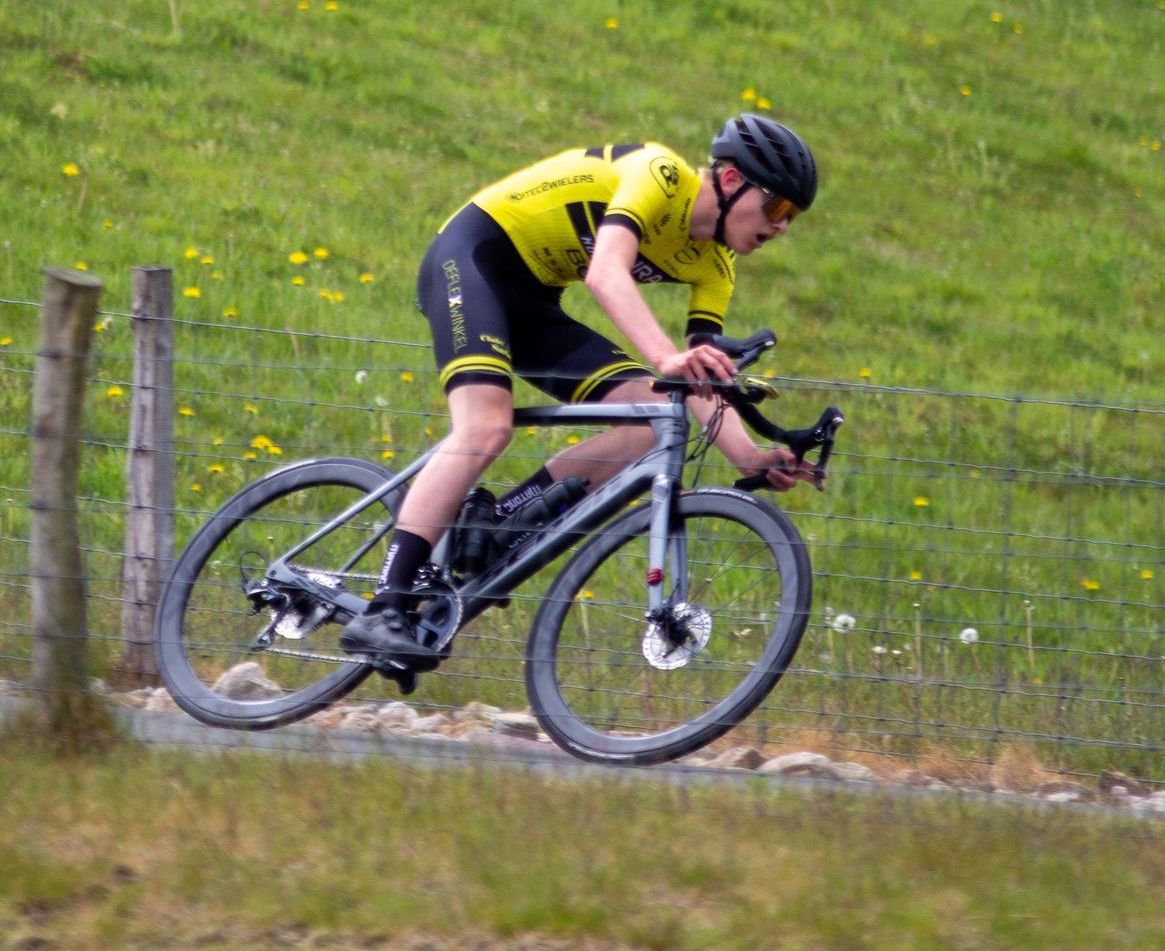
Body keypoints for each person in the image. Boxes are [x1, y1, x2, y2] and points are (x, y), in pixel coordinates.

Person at [339, 112, 819, 672]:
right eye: (778, 207)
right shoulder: (660, 175)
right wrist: (667, 357)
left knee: (649, 420)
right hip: (470, 261)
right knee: (485, 425)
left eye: (794, 217)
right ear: (733, 181)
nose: (782, 226)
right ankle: (384, 605)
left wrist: (752, 456)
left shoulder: (717, 265)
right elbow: (604, 274)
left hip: (531, 304)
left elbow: (695, 379)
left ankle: (499, 524)